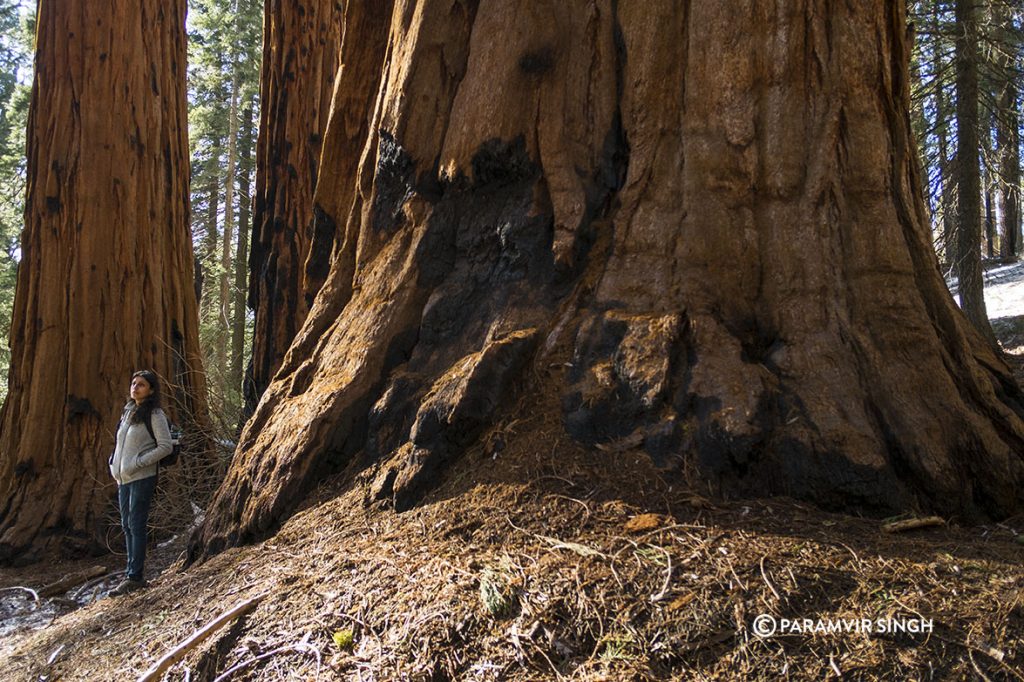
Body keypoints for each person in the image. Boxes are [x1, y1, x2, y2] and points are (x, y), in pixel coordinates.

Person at [108, 370, 173, 596]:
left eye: (142, 385)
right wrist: (113, 464)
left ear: (152, 390)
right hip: (123, 478)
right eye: (133, 383)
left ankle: (135, 577)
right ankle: (130, 572)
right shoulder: (128, 412)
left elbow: (166, 446)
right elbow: (120, 444)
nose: (135, 387)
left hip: (142, 478)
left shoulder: (154, 414)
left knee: (136, 525)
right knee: (126, 525)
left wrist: (138, 463)